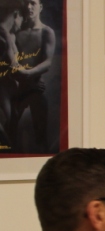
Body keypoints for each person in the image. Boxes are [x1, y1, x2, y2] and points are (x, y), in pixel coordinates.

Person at [11, 0, 54, 152]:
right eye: (26, 3)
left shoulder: (46, 31)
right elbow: (10, 61)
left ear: (40, 7)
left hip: (36, 88)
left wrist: (28, 74)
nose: (29, 7)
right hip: (17, 89)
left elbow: (47, 62)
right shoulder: (15, 32)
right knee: (10, 134)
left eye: (33, 3)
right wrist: (23, 78)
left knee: (41, 137)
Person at [0, 0, 22, 149]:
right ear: (15, 14)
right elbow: (14, 65)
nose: (22, 23)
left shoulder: (9, 36)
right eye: (22, 18)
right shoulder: (4, 38)